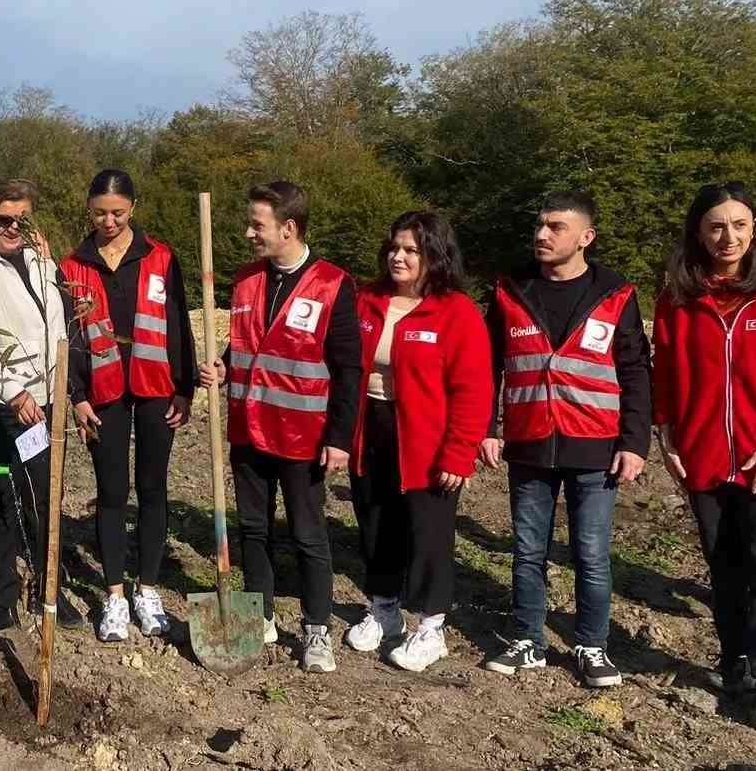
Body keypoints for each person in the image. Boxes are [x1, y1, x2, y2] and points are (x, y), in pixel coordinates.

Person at [479, 192, 650, 689]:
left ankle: (591, 645)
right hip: (530, 442)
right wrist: (488, 427)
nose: (542, 235)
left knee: (591, 554)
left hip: (596, 444)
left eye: (556, 226)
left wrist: (634, 442)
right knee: (528, 550)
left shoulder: (615, 291)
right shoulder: (510, 288)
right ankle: (527, 639)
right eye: (539, 225)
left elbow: (636, 369)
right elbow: (488, 365)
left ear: (586, 238)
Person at [653, 181, 756, 734]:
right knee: (724, 567)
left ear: (755, 228)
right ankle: (733, 660)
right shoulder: (677, 296)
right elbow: (665, 372)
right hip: (705, 456)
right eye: (717, 225)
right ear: (699, 230)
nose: (729, 236)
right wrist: (666, 434)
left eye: (740, 225)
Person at [199, 181, 362, 670]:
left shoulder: (333, 284)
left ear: (288, 228)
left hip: (303, 435)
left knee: (308, 535)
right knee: (253, 529)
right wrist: (225, 366)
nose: (248, 232)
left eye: (257, 224)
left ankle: (316, 629)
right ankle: (260, 614)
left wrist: (339, 438)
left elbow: (349, 368)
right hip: (249, 429)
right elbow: (249, 342)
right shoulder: (247, 279)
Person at [346, 211, 492, 673]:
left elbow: (474, 389)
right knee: (375, 523)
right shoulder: (366, 300)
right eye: (394, 247)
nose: (399, 256)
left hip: (428, 443)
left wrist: (459, 452)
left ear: (435, 255)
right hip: (371, 430)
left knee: (428, 534)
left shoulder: (456, 312)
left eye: (411, 249)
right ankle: (383, 608)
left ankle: (430, 627)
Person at [61, 169, 197, 642]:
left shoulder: (161, 257)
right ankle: (116, 595)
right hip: (102, 390)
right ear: (89, 209)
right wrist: (76, 397)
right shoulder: (73, 265)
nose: (109, 221)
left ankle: (148, 588)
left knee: (153, 488)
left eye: (117, 213)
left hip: (157, 385)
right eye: (100, 213)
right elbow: (71, 338)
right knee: (112, 490)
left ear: (133, 208)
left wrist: (185, 388)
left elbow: (179, 323)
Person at [0, 178, 84, 631]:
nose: (11, 228)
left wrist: (62, 387)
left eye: (20, 220)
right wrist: (12, 390)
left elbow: (56, 322)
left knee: (46, 496)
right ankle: (1, 594)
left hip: (44, 400)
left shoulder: (38, 259)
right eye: (2, 219)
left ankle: (49, 589)